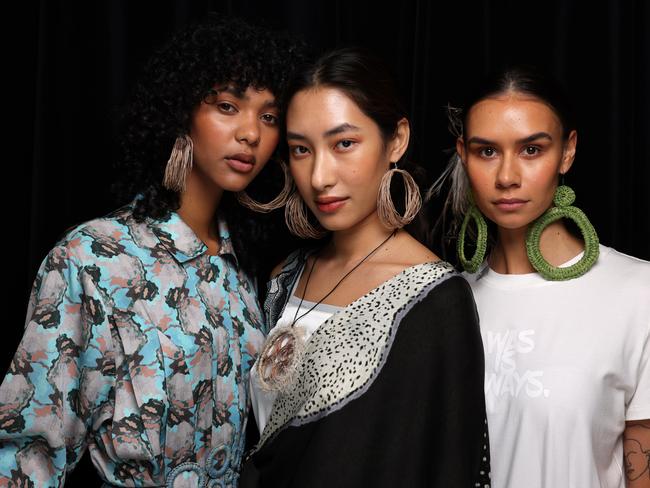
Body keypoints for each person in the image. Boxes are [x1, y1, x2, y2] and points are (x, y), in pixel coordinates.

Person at [0, 16, 304, 487]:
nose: (251, 133)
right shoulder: (94, 258)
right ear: (180, 112)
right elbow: (27, 455)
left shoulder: (243, 270)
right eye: (227, 106)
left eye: (269, 117)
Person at [245, 47, 491, 487]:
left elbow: (448, 465)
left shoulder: (435, 299)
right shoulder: (287, 274)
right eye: (302, 150)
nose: (320, 176)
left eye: (344, 144)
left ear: (395, 140)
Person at [434, 66, 650, 487]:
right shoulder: (446, 300)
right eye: (487, 151)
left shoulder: (636, 293)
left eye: (531, 150)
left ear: (567, 151)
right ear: (463, 153)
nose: (507, 177)